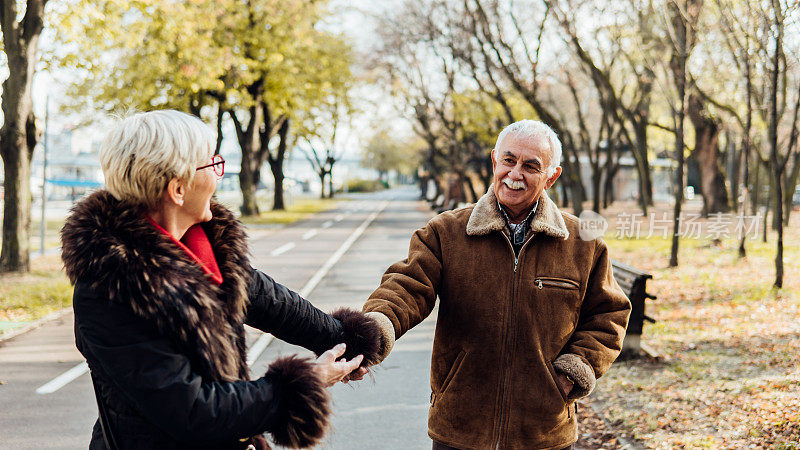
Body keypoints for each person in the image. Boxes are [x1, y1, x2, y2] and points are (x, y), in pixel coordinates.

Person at [61, 110, 381, 450]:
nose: (218, 174)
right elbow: (194, 410)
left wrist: (344, 341)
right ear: (178, 189)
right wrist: (304, 385)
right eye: (210, 164)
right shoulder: (109, 287)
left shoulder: (204, 246)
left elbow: (273, 304)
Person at [362, 120, 632, 450]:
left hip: (544, 433)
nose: (515, 174)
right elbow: (407, 286)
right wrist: (373, 328)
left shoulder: (583, 244)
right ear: (494, 161)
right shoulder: (446, 232)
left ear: (551, 176)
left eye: (531, 166)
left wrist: (575, 369)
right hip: (459, 430)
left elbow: (610, 314)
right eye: (509, 160)